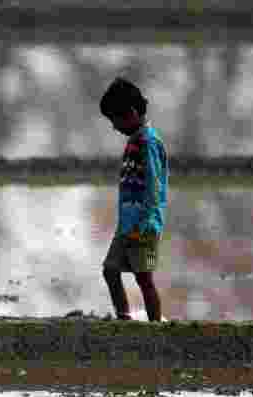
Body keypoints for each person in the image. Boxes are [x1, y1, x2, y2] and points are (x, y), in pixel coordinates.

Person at [99, 77, 169, 322]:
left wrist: (145, 223)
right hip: (127, 225)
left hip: (145, 227)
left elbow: (154, 187)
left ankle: (155, 328)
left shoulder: (149, 143)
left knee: (144, 278)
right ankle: (124, 320)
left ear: (130, 113)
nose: (115, 127)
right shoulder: (134, 141)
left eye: (115, 120)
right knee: (110, 270)